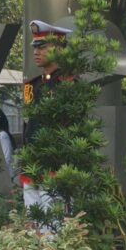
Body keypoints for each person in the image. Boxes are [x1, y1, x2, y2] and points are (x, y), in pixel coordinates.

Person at [20, 19, 73, 214]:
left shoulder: (69, 84)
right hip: (32, 166)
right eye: (35, 47)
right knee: (33, 225)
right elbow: (28, 124)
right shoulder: (30, 86)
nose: (36, 52)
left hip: (56, 167)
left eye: (42, 47)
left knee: (54, 226)